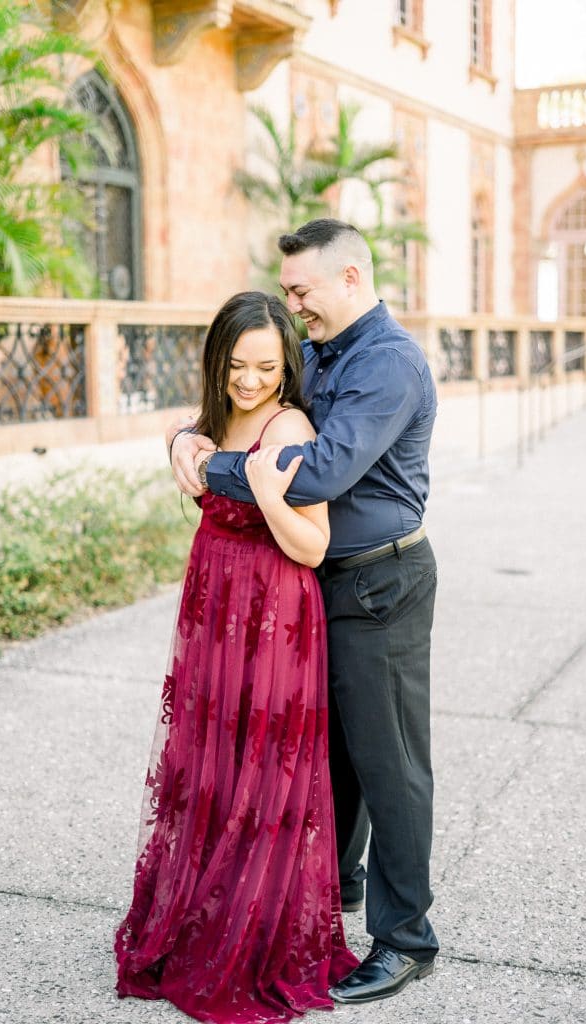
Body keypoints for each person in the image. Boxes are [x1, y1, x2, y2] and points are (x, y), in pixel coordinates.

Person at [169, 219, 439, 1005]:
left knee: (388, 762)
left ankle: (405, 939)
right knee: (331, 752)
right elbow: (256, 401)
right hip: (317, 583)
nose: (292, 305)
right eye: (286, 291)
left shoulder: (386, 364)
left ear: (349, 278)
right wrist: (184, 436)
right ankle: (337, 887)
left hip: (380, 582)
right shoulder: (323, 351)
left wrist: (202, 465)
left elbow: (314, 470)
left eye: (300, 291)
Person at [115, 290, 358, 1023]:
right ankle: (199, 905)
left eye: (264, 367)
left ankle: (248, 921)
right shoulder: (215, 415)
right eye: (235, 366)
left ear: (285, 365)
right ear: (216, 361)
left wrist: (266, 492)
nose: (248, 380)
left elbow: (312, 546)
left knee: (263, 764)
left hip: (274, 608)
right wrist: (179, 442)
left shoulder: (291, 424)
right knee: (212, 756)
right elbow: (186, 434)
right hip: (213, 600)